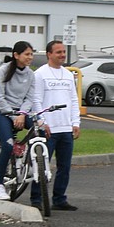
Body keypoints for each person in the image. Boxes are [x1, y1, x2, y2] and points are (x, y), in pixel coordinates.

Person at [31, 40, 81, 211]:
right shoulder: (40, 74)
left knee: (64, 167)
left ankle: (59, 199)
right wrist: (41, 122)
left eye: (63, 52)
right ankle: (37, 198)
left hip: (66, 128)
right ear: (49, 54)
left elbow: (73, 100)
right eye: (58, 52)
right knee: (41, 165)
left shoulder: (68, 75)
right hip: (48, 129)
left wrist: (76, 122)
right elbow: (36, 100)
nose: (62, 55)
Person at [0, 41, 36, 200]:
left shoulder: (31, 74)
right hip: (2, 112)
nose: (30, 57)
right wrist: (13, 116)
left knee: (40, 131)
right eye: (27, 54)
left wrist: (23, 114)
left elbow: (30, 98)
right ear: (16, 55)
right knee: (8, 145)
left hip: (21, 113)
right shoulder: (3, 71)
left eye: (31, 54)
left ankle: (33, 164)